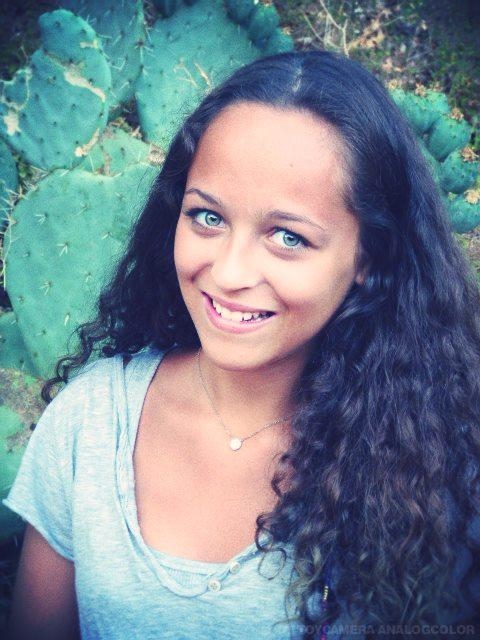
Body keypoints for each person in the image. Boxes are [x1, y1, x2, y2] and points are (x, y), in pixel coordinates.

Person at [3, 50, 480, 640]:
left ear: (369, 257)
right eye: (207, 217)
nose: (228, 272)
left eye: (288, 237)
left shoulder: (425, 465)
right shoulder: (90, 422)